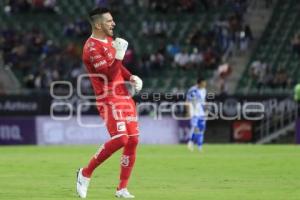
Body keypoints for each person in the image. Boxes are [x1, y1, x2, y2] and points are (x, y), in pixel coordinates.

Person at [77, 8, 143, 199]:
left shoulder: (109, 41)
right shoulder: (91, 47)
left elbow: (117, 67)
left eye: (112, 20)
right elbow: (106, 75)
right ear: (98, 24)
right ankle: (85, 173)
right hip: (107, 98)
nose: (113, 24)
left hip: (123, 97)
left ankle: (121, 189)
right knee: (121, 138)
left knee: (133, 140)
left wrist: (131, 76)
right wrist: (120, 54)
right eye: (109, 21)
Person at [186, 76, 207, 152]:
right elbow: (187, 101)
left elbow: (203, 101)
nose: (205, 84)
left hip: (201, 113)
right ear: (200, 83)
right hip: (194, 112)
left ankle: (199, 147)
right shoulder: (193, 90)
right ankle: (190, 142)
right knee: (195, 128)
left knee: (201, 129)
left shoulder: (204, 90)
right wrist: (188, 112)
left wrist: (206, 109)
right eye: (204, 82)